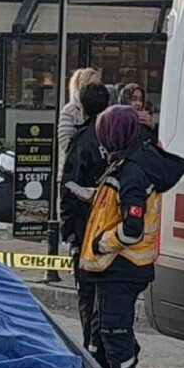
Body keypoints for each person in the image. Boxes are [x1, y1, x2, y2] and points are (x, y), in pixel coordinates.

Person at [77, 104, 184, 368]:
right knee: (100, 331)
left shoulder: (133, 171)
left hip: (121, 266)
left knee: (115, 334)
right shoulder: (129, 162)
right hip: (114, 268)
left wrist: (102, 242)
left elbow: (132, 227)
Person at [61, 82, 115, 359]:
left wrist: (68, 232)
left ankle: (93, 355)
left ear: (81, 109)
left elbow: (69, 186)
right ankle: (112, 351)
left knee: (88, 296)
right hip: (117, 233)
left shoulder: (82, 141)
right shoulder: (121, 136)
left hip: (87, 234)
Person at [57, 67, 105, 249]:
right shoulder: (71, 110)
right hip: (76, 172)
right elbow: (65, 141)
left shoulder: (104, 111)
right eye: (93, 84)